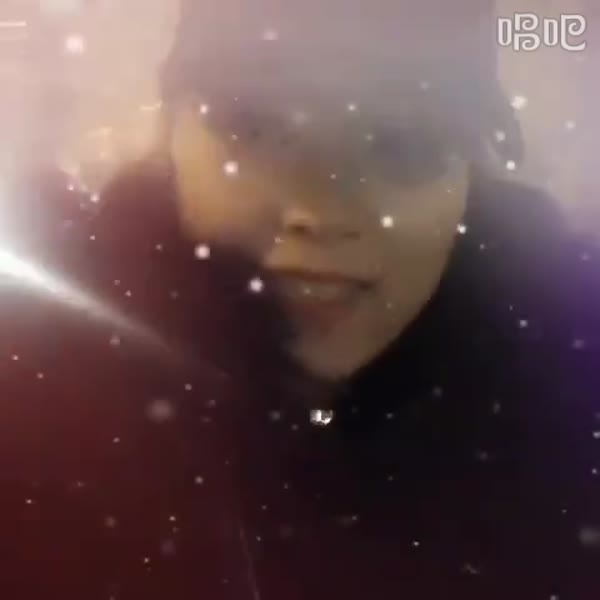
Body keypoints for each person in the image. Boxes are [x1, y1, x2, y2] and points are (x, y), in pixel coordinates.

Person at [1, 0, 599, 598]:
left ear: (470, 184)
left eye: (404, 145)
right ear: (169, 139)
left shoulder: (570, 443)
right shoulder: (31, 420)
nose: (320, 211)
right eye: (257, 130)